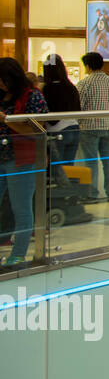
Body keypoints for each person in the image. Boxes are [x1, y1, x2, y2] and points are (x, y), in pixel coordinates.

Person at [0, 58, 48, 267]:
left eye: (3, 80)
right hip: (3, 157)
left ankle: (18, 254)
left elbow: (38, 130)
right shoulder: (2, 96)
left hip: (22, 159)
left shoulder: (32, 97)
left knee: (21, 207)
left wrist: (6, 121)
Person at [76, 51, 109, 202]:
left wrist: (80, 122)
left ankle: (92, 194)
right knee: (108, 161)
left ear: (88, 66)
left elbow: (79, 107)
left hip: (89, 128)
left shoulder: (84, 84)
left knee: (91, 162)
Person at [40, 55, 81, 186]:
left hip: (57, 132)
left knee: (57, 170)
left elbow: (48, 113)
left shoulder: (48, 89)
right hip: (74, 129)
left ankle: (59, 198)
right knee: (68, 168)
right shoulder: (71, 87)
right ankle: (70, 196)